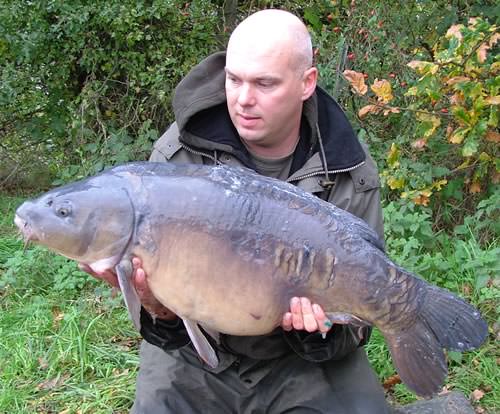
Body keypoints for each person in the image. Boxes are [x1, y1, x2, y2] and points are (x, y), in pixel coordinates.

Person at [85, 9, 390, 414]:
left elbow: (357, 317)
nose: (244, 99)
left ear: (306, 83)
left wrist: (319, 330)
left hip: (297, 360)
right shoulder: (178, 155)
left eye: (265, 83)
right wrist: (156, 305)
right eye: (234, 79)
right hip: (196, 353)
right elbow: (162, 326)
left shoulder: (347, 167)